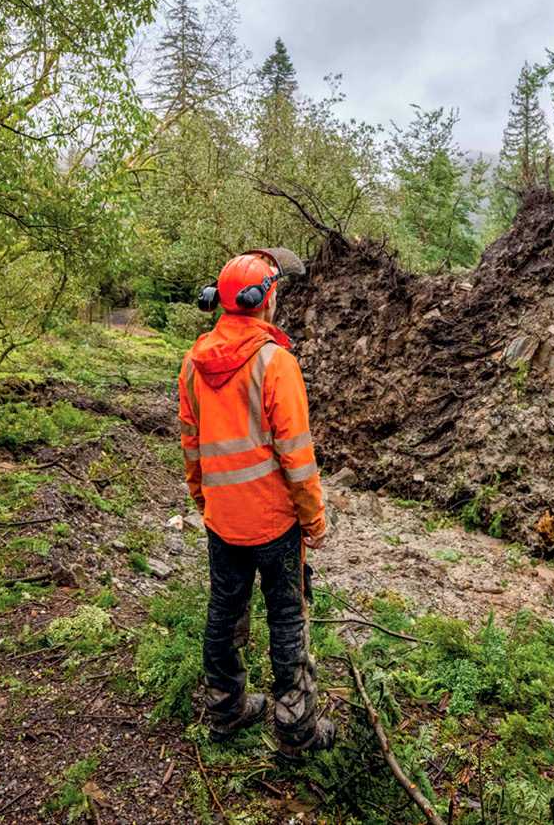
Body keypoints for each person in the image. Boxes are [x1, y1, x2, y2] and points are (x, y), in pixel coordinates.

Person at [177, 248, 337, 763]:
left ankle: (225, 709)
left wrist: (204, 499)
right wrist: (313, 519)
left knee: (225, 612)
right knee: (288, 618)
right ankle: (297, 733)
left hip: (222, 521)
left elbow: (190, 442)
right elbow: (297, 455)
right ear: (263, 301)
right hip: (274, 524)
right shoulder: (276, 363)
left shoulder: (192, 362)